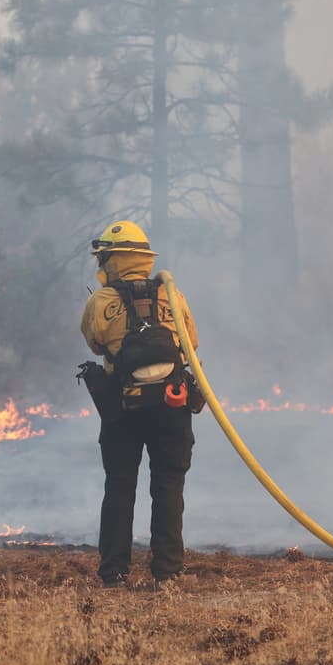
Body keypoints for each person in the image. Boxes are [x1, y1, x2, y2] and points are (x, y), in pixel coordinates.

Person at [80, 220, 199, 587]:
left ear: (111, 259)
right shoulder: (173, 295)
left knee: (119, 485)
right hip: (171, 403)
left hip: (122, 407)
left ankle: (114, 571)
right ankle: (168, 571)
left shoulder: (101, 301)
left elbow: (94, 343)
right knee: (168, 485)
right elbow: (191, 343)